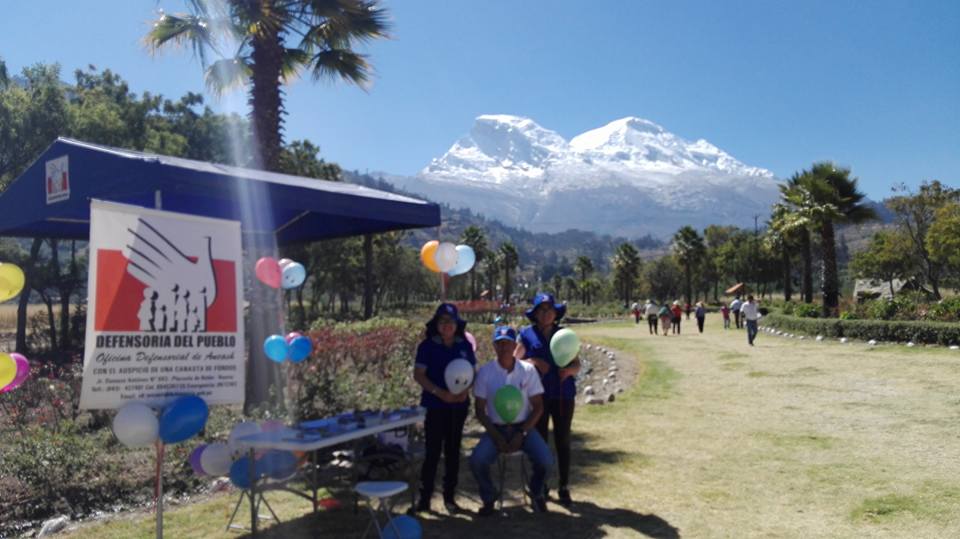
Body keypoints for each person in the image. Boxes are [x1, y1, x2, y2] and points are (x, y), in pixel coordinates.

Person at [470, 325, 552, 516]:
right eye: (499, 344)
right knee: (477, 461)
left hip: (524, 428)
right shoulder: (485, 372)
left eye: (508, 343)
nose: (504, 348)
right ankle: (489, 497)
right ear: (494, 346)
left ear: (515, 346)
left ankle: (536, 491)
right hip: (496, 429)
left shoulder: (528, 370)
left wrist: (522, 433)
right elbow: (480, 410)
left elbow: (538, 407)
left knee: (546, 461)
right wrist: (496, 436)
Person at [411, 303, 477, 513]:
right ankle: (425, 499)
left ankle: (450, 497)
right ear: (436, 324)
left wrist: (465, 390)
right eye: (442, 321)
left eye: (451, 321)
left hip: (458, 406)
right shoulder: (427, 346)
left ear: (457, 324)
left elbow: (473, 373)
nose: (447, 325)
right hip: (435, 406)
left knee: (453, 451)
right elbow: (419, 375)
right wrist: (440, 393)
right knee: (432, 452)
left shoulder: (464, 345)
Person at [517, 293, 580, 506]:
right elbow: (515, 362)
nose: (545, 313)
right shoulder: (526, 335)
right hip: (537, 396)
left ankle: (564, 486)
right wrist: (533, 361)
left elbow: (577, 364)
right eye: (541, 310)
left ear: (555, 313)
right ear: (535, 314)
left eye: (549, 309)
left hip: (563, 394)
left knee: (563, 440)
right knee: (539, 442)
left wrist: (569, 371)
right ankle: (540, 485)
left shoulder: (564, 334)